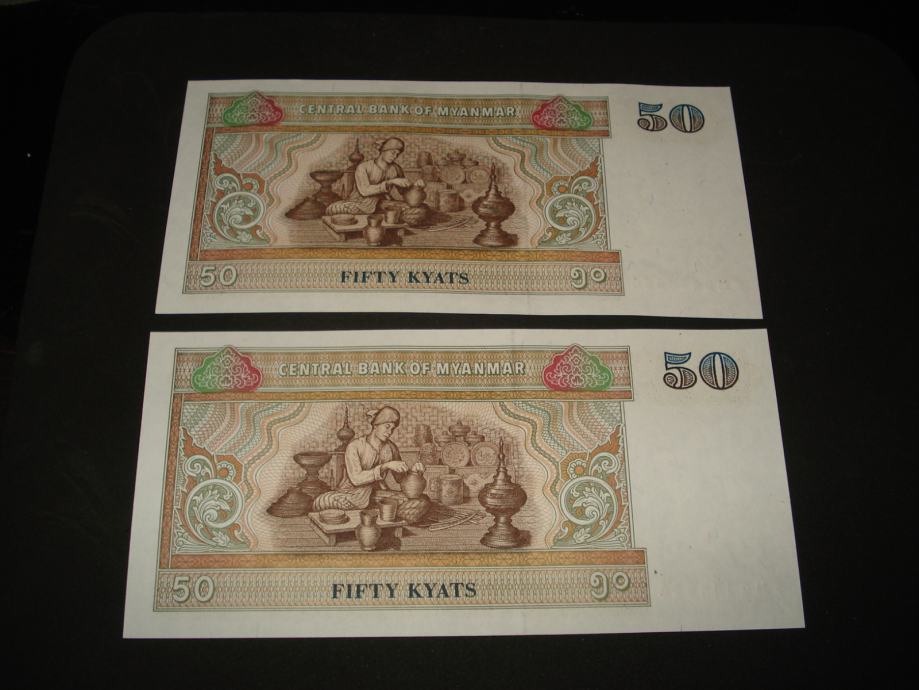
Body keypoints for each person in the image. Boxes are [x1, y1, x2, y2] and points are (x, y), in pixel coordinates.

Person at [312, 406, 424, 511]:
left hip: (377, 494)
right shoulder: (355, 446)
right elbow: (356, 479)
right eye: (387, 426)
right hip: (350, 494)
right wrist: (385, 466)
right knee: (321, 501)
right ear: (375, 425)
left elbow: (401, 479)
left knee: (418, 502)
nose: (390, 432)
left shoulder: (391, 448)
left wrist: (413, 473)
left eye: (392, 429)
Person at [326, 138, 412, 215]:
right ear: (383, 150)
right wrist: (390, 182)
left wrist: (414, 186)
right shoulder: (363, 167)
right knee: (333, 209)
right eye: (393, 153)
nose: (395, 156)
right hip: (360, 204)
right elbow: (364, 191)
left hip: (383, 203)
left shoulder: (396, 169)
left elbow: (404, 191)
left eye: (397, 154)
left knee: (409, 208)